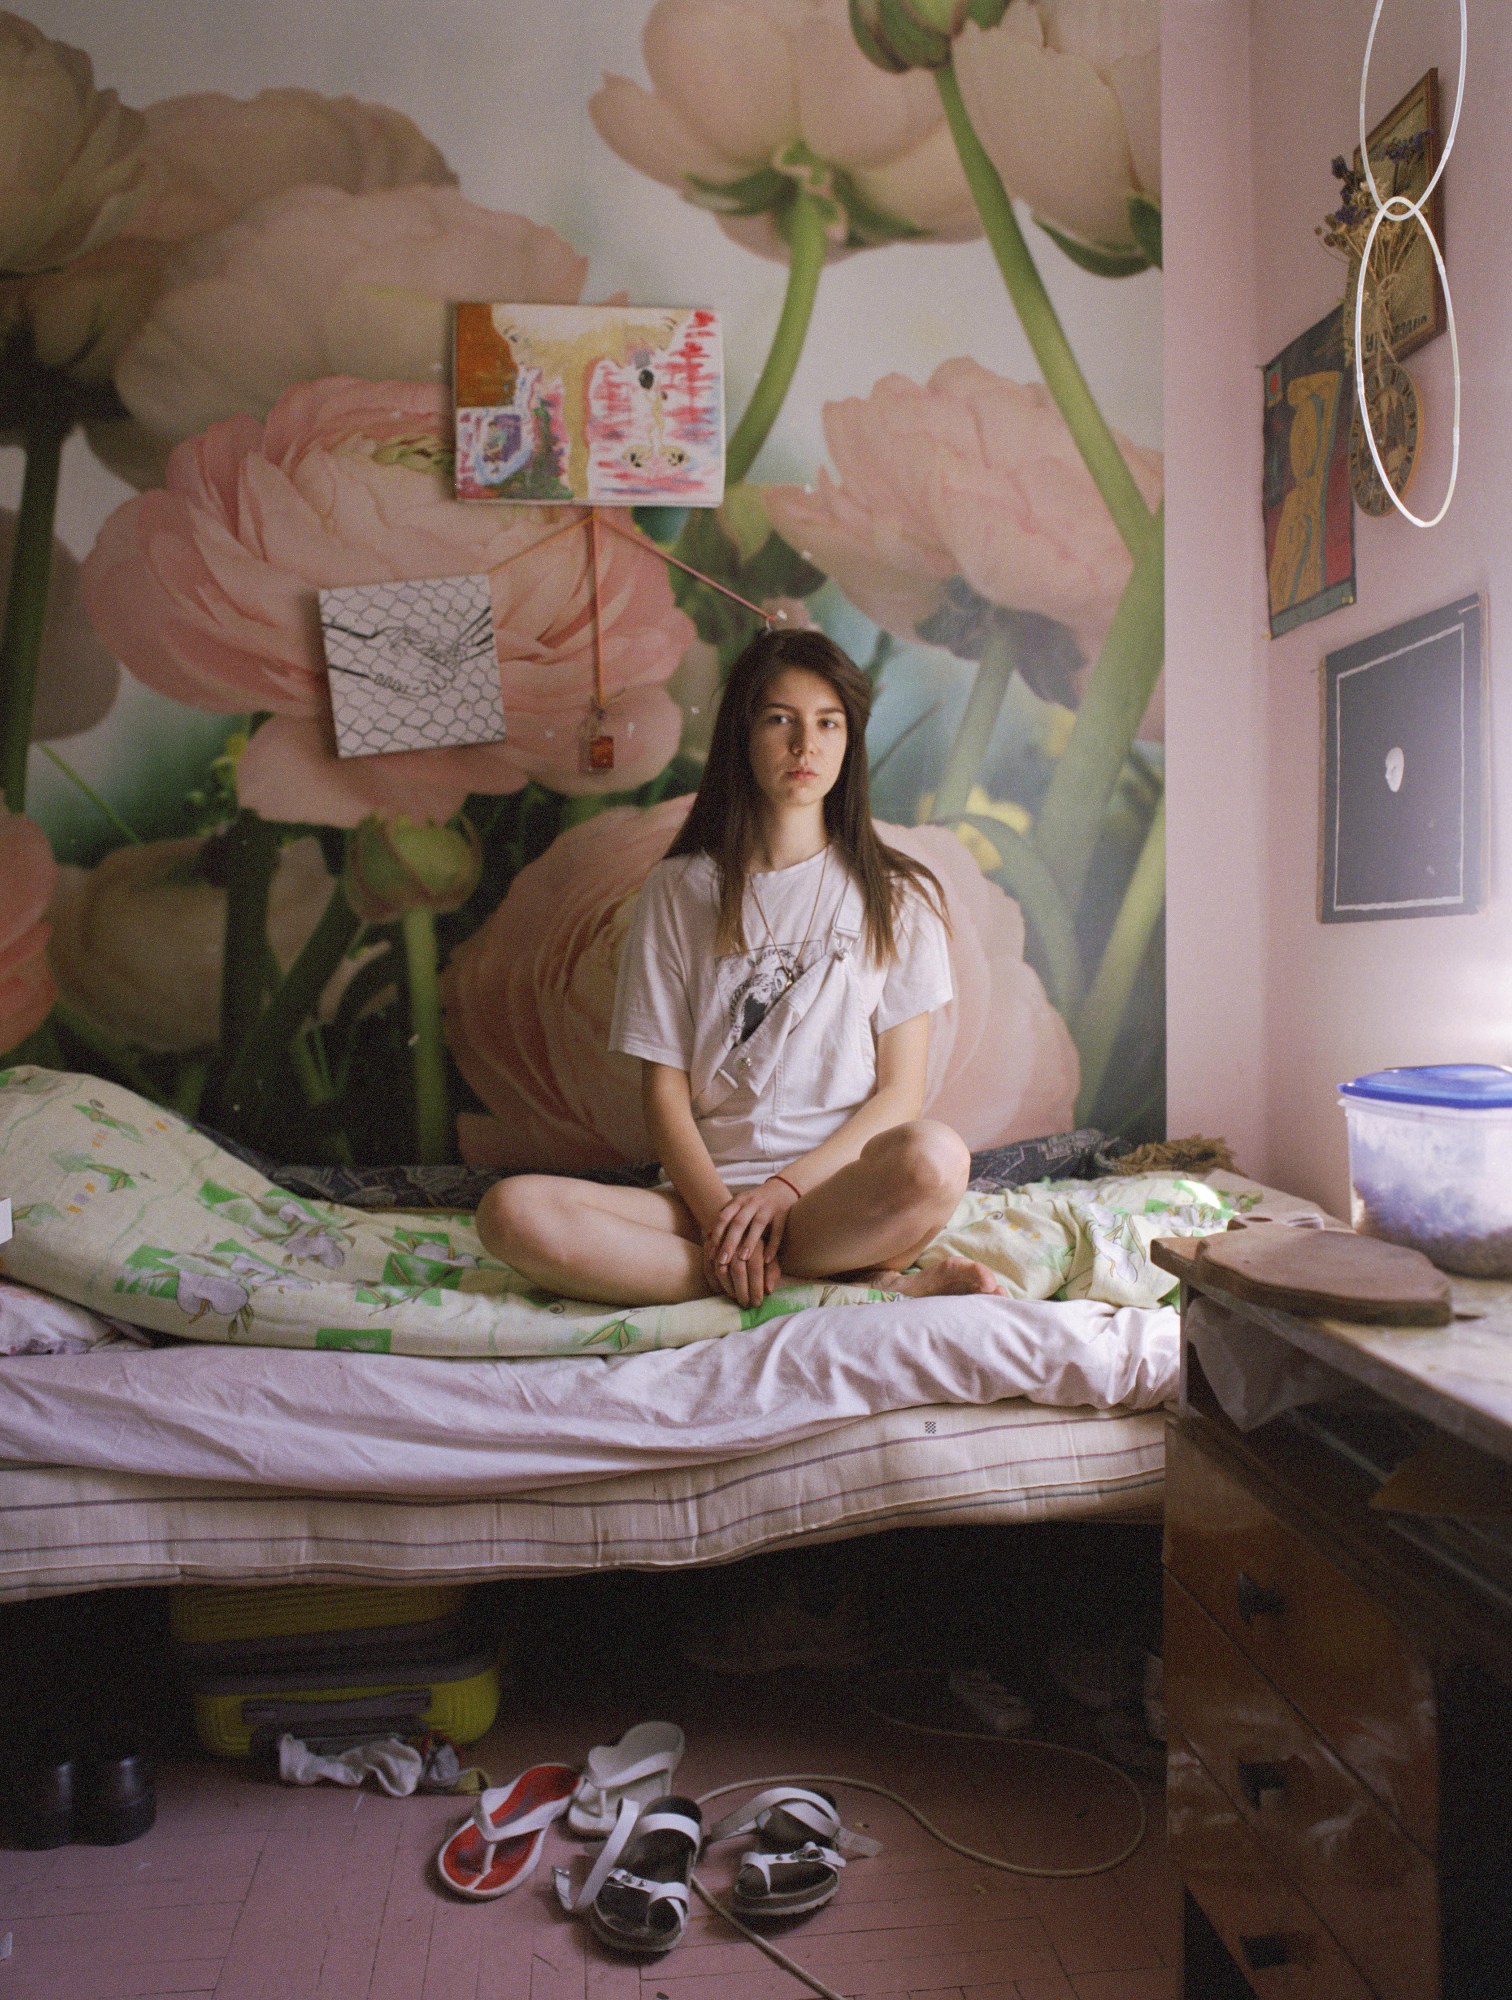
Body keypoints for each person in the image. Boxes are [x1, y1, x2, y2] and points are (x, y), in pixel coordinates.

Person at [476, 627, 1003, 1307]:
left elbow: (901, 1094)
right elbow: (662, 1093)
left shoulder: (897, 897)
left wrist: (785, 1192)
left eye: (828, 724)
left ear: (849, 742)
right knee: (509, 1214)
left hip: (837, 1194)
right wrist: (724, 1217)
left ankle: (760, 1273)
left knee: (935, 1160)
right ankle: (818, 1286)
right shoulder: (679, 889)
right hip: (707, 1199)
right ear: (743, 736)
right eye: (780, 719)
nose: (804, 745)